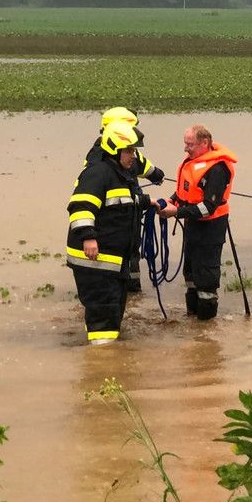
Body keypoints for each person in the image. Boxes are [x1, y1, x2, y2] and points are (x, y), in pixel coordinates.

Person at [67, 121, 152, 345]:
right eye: (129, 151)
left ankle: (105, 355)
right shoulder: (98, 173)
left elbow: (124, 201)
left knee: (111, 313)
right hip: (97, 261)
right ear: (114, 150)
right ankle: (102, 362)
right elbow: (80, 207)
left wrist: (151, 202)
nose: (133, 156)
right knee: (103, 318)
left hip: (113, 262)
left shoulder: (120, 174)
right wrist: (88, 237)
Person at [158, 125, 238, 320]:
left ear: (204, 143)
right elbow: (186, 190)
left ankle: (206, 328)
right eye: (185, 144)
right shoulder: (193, 163)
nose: (185, 149)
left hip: (210, 229)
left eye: (190, 144)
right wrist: (172, 201)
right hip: (193, 227)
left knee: (206, 281)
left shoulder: (217, 169)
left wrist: (176, 212)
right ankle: (192, 321)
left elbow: (207, 208)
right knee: (191, 276)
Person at [84, 107, 165, 292]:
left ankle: (130, 296)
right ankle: (128, 290)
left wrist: (156, 175)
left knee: (130, 251)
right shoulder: (108, 155)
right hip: (115, 218)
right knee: (124, 254)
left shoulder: (104, 150)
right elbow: (143, 165)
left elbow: (144, 165)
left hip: (128, 211)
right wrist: (155, 176)